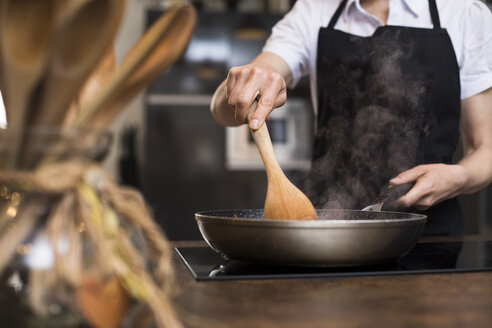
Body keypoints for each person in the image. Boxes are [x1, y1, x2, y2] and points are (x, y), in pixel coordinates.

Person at [210, 0, 492, 235]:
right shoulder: (313, 10)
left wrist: (459, 176)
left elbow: (485, 148)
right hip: (328, 235)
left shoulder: (465, 14)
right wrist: (249, 82)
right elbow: (223, 107)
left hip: (430, 238)